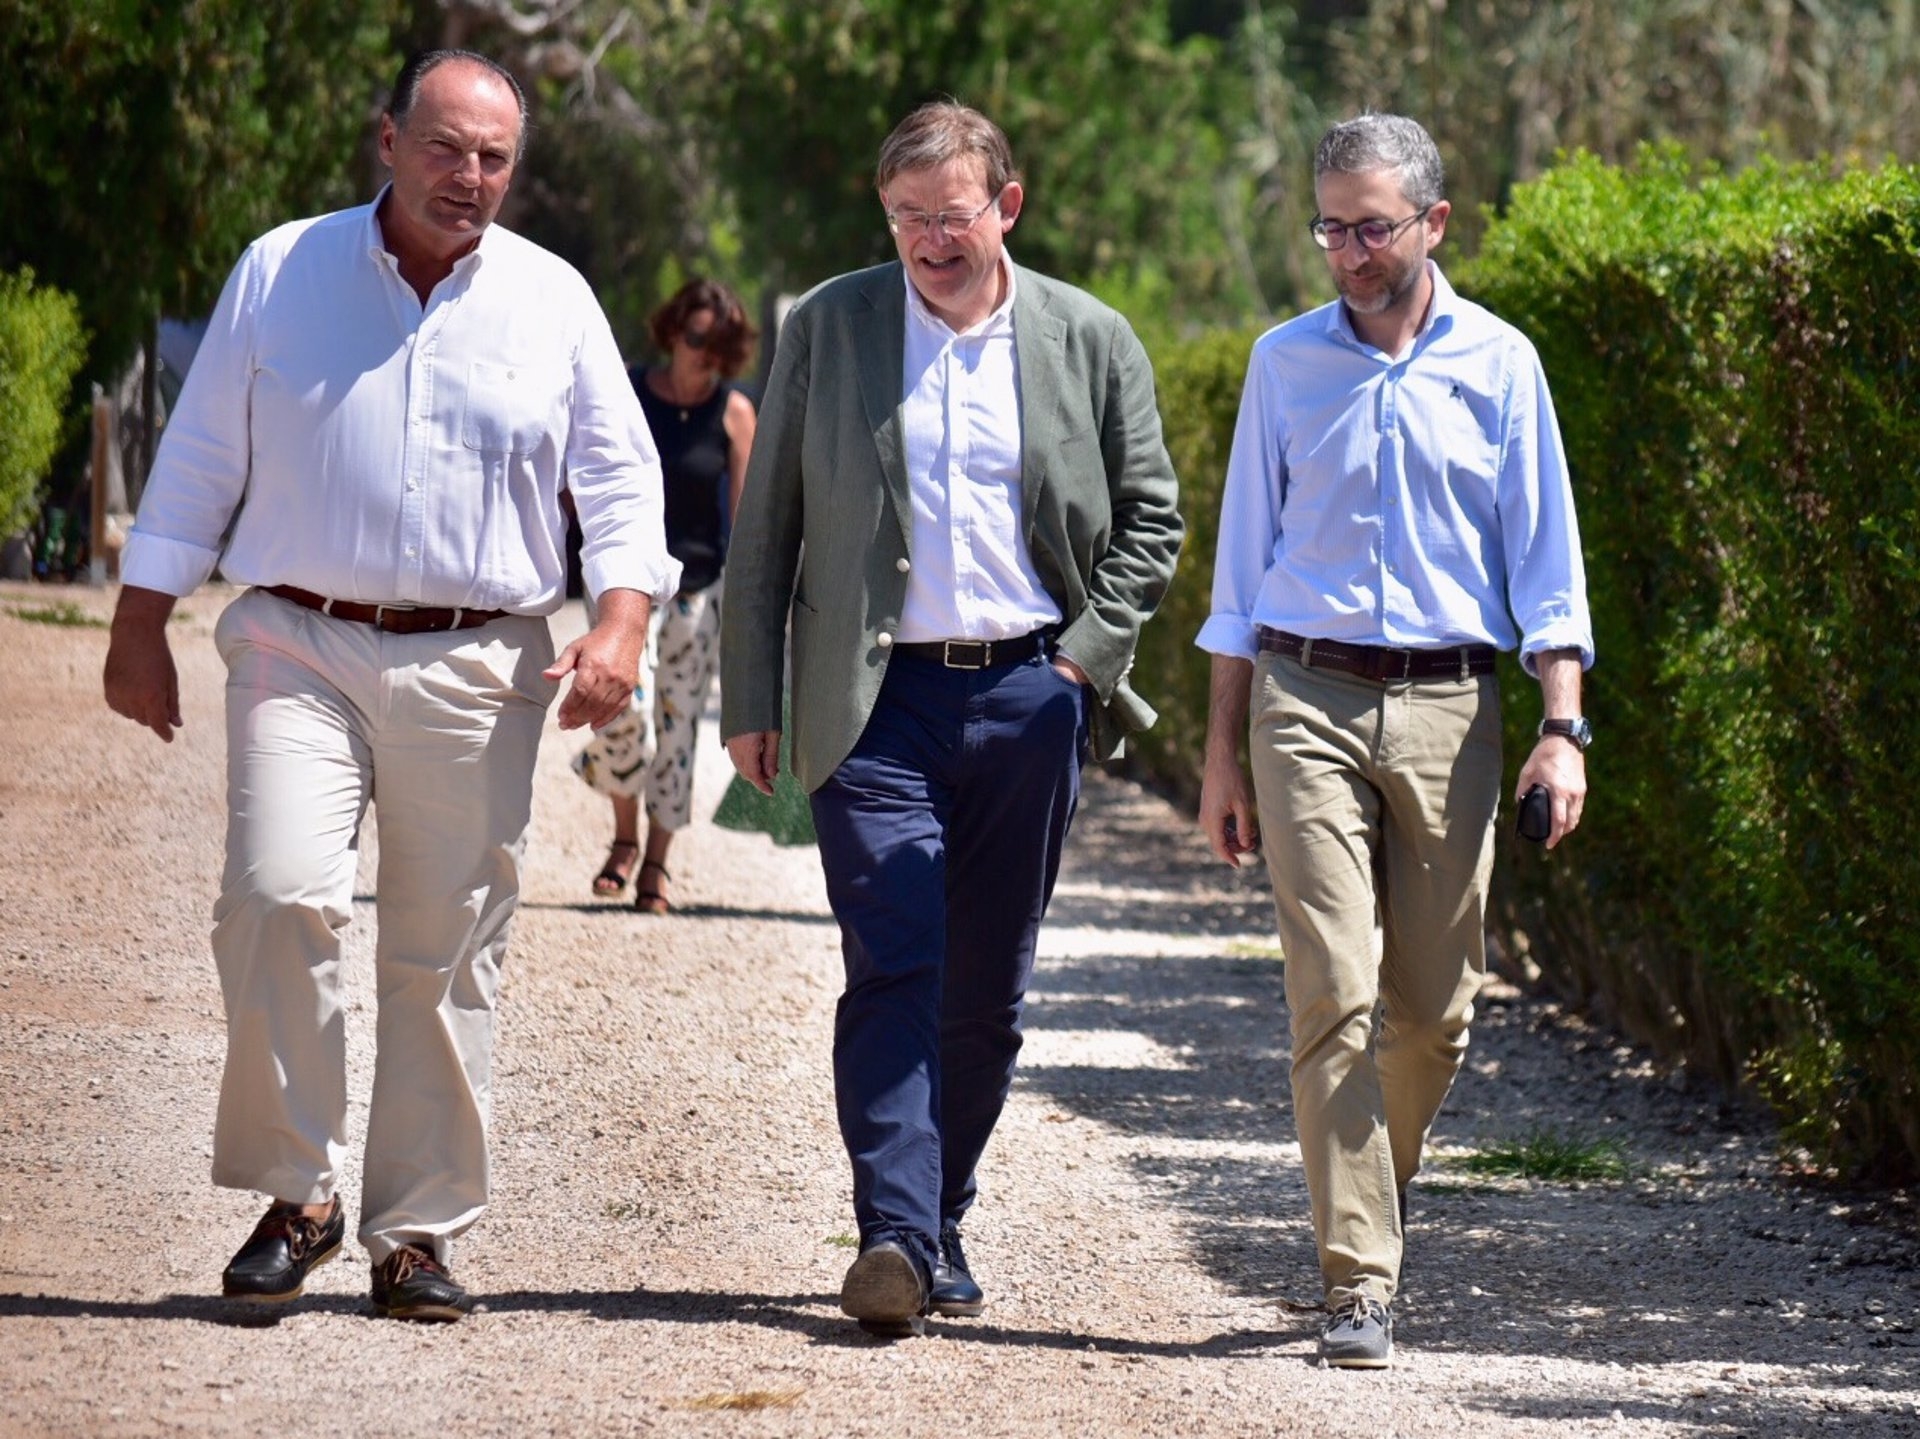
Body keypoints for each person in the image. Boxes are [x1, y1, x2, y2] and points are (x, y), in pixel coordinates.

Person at [100, 48, 678, 1322]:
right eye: (446, 147)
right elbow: (198, 456)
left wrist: (621, 623)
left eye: (494, 158)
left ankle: (414, 1231)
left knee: (446, 945)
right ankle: (298, 1193)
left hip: (478, 656)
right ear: (388, 141)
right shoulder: (282, 269)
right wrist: (140, 619)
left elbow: (621, 482)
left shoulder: (553, 299)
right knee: (275, 894)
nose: (469, 175)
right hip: (296, 639)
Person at [720, 100, 1183, 1336]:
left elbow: (1153, 518)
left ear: (1006, 206)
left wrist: (1082, 662)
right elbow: (767, 527)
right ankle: (892, 1232)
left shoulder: (1089, 337)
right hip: (874, 703)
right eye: (906, 216)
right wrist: (753, 697)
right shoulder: (832, 325)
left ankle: (940, 1214)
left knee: (985, 987)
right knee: (895, 954)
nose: (930, 238)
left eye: (953, 212)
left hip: (1033, 694)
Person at [1196, 112, 1593, 1368]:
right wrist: (1221, 753)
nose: (1348, 252)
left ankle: (1372, 1179)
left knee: (1435, 1014)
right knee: (1336, 988)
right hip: (1302, 697)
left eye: (1371, 228)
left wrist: (1563, 729)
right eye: (1330, 228)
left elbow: (1548, 569)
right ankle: (1357, 1277)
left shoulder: (1503, 364)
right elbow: (1239, 575)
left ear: (1434, 222)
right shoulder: (1283, 364)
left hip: (1451, 707)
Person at [575, 279, 757, 912]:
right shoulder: (628, 391)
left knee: (678, 730)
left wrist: (755, 610)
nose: (706, 354)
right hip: (630, 584)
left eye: (721, 345)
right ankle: (624, 836)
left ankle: (655, 863)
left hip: (698, 593)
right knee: (623, 710)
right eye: (698, 337)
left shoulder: (734, 412)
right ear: (674, 330)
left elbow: (748, 520)